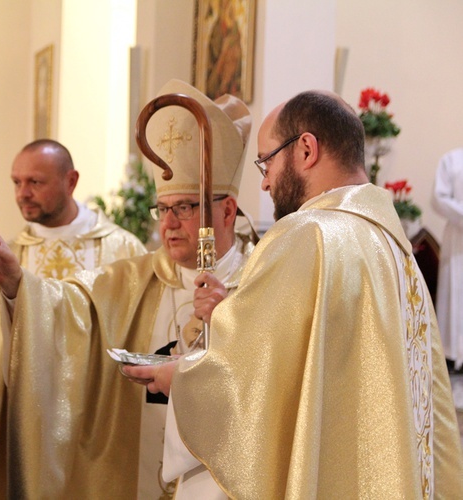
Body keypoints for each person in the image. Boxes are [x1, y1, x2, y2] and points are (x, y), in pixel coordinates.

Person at [124, 90, 463, 498]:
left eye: (266, 161)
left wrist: (178, 376)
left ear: (305, 149)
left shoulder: (309, 233)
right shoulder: (394, 245)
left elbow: (249, 378)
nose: (265, 181)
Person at [0, 79, 255, 499]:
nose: (169, 223)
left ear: (228, 210)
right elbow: (72, 307)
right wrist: (19, 284)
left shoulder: (261, 278)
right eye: (163, 209)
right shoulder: (133, 277)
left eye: (183, 207)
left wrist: (230, 322)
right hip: (136, 472)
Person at [0, 138, 147, 495]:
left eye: (35, 182)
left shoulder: (123, 251)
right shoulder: (9, 254)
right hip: (29, 415)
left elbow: (136, 332)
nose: (23, 193)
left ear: (71, 181)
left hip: (97, 416)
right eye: (16, 182)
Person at [432, 147, 463, 371]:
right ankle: (452, 354)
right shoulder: (452, 160)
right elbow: (438, 197)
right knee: (455, 292)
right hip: (458, 236)